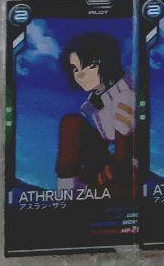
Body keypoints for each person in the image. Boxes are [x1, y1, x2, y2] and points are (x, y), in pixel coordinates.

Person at [56, 32, 134, 199]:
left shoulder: (125, 94)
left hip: (127, 168)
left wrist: (103, 176)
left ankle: (70, 195)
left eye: (90, 65)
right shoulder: (93, 100)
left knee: (72, 124)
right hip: (107, 165)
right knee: (71, 123)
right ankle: (66, 194)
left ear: (107, 62)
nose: (80, 74)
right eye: (75, 69)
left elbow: (124, 151)